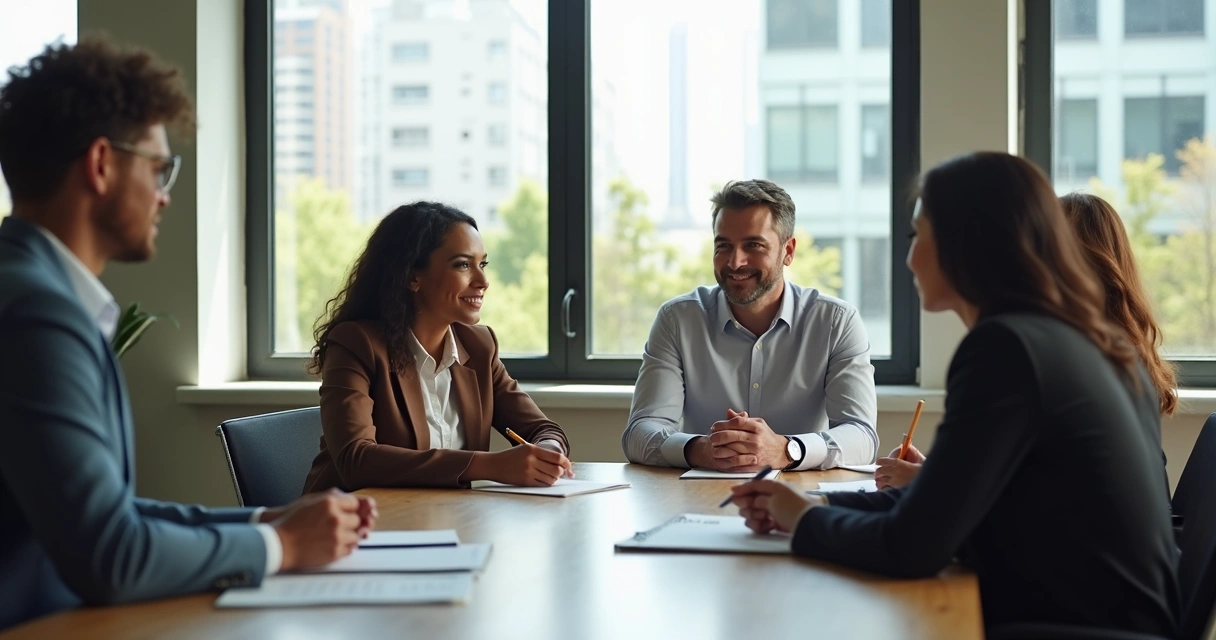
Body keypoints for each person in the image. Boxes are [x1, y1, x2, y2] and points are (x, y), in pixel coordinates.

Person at [0, 38, 375, 631]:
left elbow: (105, 515)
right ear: (101, 164)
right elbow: (110, 555)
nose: (165, 194)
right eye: (158, 167)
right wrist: (284, 549)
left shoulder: (31, 290)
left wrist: (264, 523)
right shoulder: (37, 314)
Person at [730, 152, 1180, 636]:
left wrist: (802, 520)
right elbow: (938, 505)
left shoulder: (1006, 349)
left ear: (966, 244)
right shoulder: (1089, 341)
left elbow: (912, 547)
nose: (909, 258)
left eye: (918, 235)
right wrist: (811, 506)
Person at [874, 191, 1178, 490]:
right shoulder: (1120, 349)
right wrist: (936, 475)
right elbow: (1028, 477)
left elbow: (1043, 497)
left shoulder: (1076, 360)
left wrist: (925, 482)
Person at [302, 202, 574, 491]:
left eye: (482, 264)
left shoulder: (479, 347)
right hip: (355, 524)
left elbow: (541, 429)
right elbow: (356, 460)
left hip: (447, 517)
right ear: (412, 276)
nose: (483, 281)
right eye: (463, 265)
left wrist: (549, 450)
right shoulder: (357, 344)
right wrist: (490, 465)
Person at [622, 179, 878, 472]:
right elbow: (639, 433)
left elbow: (862, 435)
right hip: (701, 501)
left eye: (753, 245)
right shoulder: (677, 320)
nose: (735, 262)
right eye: (724, 246)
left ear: (788, 251)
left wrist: (786, 449)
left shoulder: (836, 323)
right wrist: (699, 449)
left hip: (799, 501)